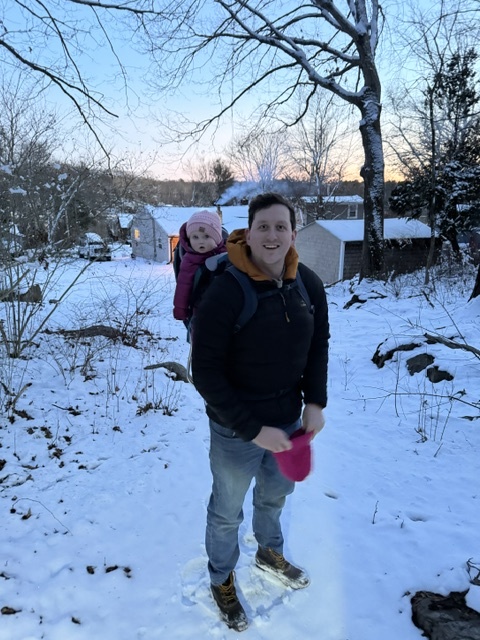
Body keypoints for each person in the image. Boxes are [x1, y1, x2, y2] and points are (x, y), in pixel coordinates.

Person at [191, 192, 330, 632]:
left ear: (293, 232)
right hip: (235, 430)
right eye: (263, 226)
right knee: (227, 510)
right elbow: (205, 372)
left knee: (275, 496)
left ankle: (269, 552)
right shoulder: (226, 290)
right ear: (248, 232)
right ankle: (221, 578)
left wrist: (315, 402)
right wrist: (252, 429)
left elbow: (318, 346)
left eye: (281, 227)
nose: (272, 235)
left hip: (289, 420)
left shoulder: (308, 284)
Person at [172, 209, 226, 324]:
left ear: (217, 238)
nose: (201, 241)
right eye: (195, 237)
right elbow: (183, 286)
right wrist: (181, 309)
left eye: (206, 236)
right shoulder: (189, 260)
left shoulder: (226, 254)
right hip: (199, 310)